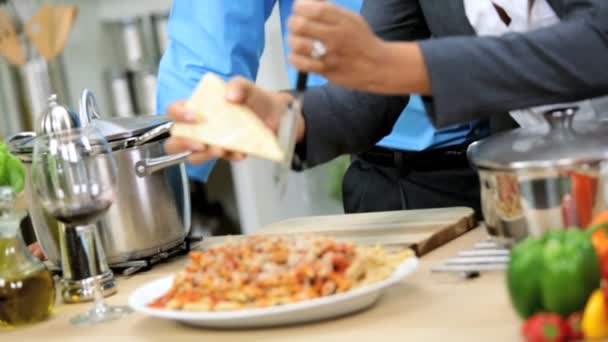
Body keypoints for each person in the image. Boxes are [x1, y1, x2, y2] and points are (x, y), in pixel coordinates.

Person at [165, 0, 608, 218]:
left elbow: (597, 40)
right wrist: (286, 118)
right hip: (546, 196)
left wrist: (405, 65)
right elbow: (367, 91)